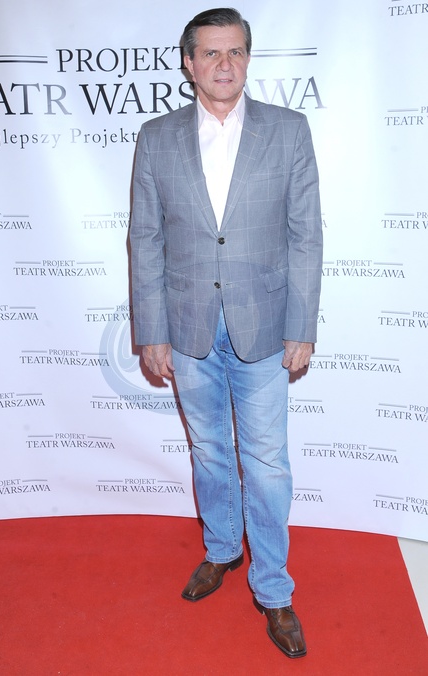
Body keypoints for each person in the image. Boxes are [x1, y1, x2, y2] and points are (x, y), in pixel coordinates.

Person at [129, 7, 322, 659]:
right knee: (210, 451)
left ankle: (273, 589)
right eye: (210, 53)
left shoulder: (288, 131)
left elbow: (306, 236)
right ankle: (220, 550)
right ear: (189, 63)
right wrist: (151, 330)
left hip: (264, 326)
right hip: (186, 328)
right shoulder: (156, 138)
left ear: (247, 58)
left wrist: (301, 325)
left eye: (235, 51)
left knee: (266, 461)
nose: (224, 64)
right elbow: (146, 239)